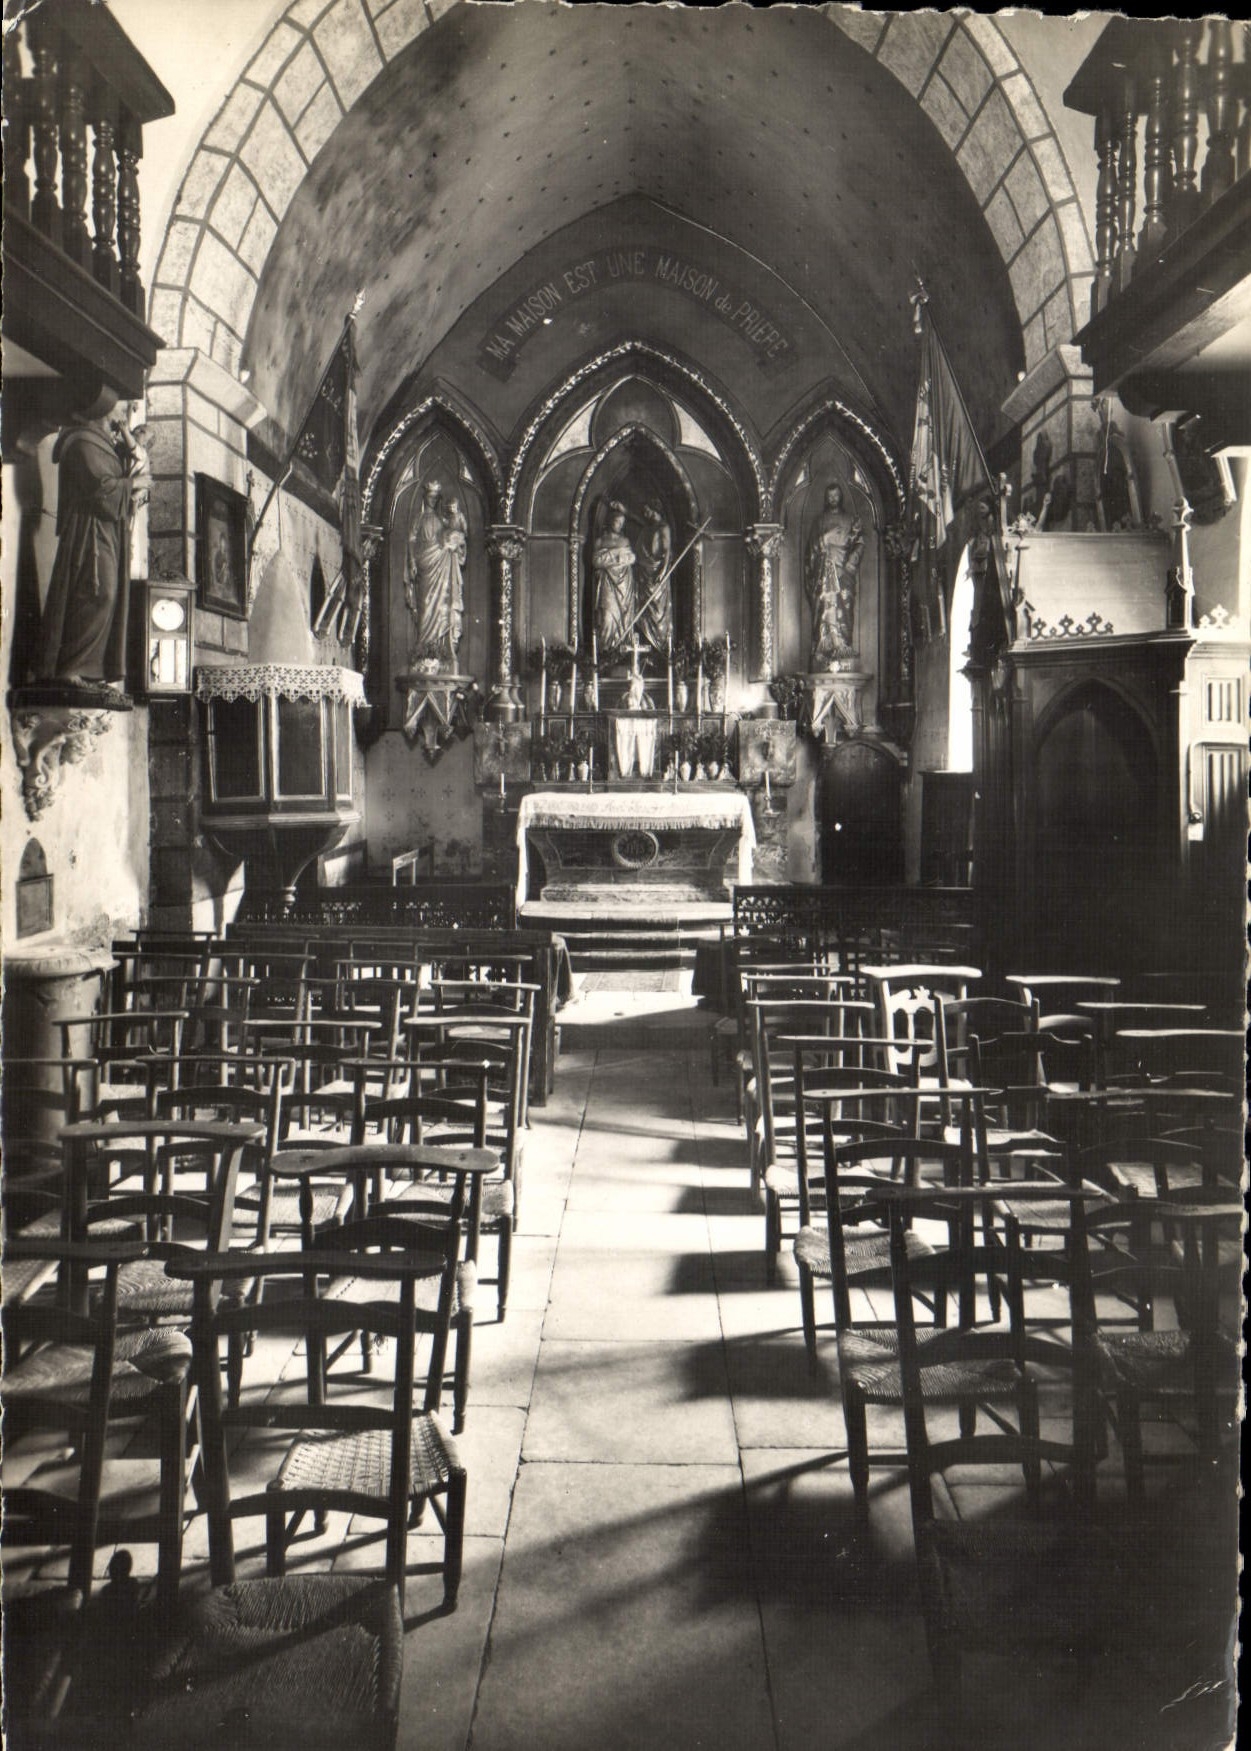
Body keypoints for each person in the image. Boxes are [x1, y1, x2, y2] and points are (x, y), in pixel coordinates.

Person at [36, 396, 137, 688]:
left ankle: (91, 669)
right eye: (122, 406)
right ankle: (70, 666)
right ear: (103, 409)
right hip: (89, 532)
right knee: (97, 591)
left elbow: (123, 472)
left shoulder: (104, 445)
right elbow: (100, 489)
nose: (125, 413)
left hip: (108, 531)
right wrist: (133, 485)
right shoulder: (82, 442)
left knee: (107, 594)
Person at [805, 481, 864, 670]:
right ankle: (823, 652)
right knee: (824, 608)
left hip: (844, 573)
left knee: (844, 609)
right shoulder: (819, 521)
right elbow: (811, 550)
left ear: (841, 497)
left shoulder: (850, 520)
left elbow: (859, 544)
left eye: (836, 495)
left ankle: (842, 649)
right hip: (824, 572)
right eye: (830, 496)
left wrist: (848, 566)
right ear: (826, 498)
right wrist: (825, 539)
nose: (833, 499)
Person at [406, 478, 465, 663]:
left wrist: (455, 537)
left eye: (435, 497)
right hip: (425, 565)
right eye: (429, 497)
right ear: (425, 497)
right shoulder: (418, 518)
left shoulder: (443, 519)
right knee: (425, 607)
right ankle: (423, 649)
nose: (432, 500)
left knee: (442, 606)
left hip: (442, 566)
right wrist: (411, 561)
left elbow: (457, 534)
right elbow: (411, 540)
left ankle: (440, 651)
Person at [591, 500, 635, 651]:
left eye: (622, 523)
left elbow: (631, 558)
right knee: (607, 616)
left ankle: (623, 649)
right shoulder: (600, 541)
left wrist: (612, 559)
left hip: (624, 584)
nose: (620, 525)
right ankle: (606, 651)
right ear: (611, 521)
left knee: (624, 616)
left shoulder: (625, 540)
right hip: (607, 583)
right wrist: (615, 555)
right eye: (617, 522)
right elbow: (596, 561)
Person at [636, 503, 673, 649]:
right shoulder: (648, 527)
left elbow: (667, 550)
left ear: (655, 510)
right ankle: (645, 643)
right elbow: (637, 520)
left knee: (657, 610)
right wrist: (625, 511)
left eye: (647, 511)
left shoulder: (663, 527)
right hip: (644, 573)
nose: (645, 514)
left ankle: (659, 645)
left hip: (657, 573)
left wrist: (663, 571)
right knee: (644, 610)